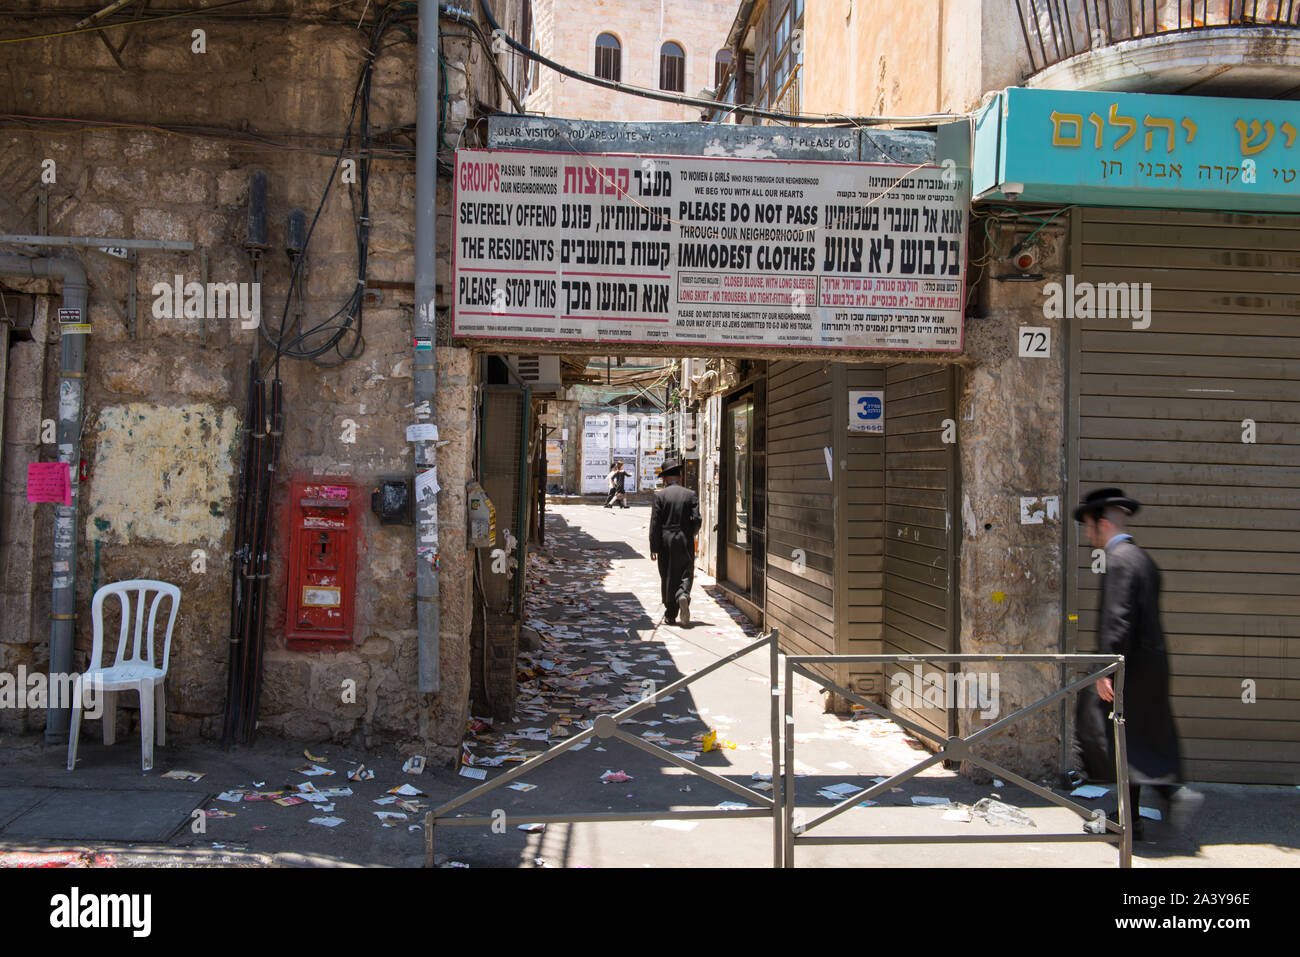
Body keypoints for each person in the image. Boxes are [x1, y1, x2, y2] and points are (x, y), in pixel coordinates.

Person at [1072, 487, 1202, 840]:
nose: (1087, 534)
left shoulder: (1119, 561)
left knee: (1111, 736)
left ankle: (1170, 795)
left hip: (1129, 670)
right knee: (1131, 741)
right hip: (1151, 669)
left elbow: (1118, 618)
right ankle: (1130, 818)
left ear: (1101, 524)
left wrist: (1106, 670)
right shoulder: (1143, 559)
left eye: (1088, 526)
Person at [649, 458, 700, 625]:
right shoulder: (690, 494)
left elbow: (655, 523)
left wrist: (654, 547)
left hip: (665, 539)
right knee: (686, 570)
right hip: (684, 538)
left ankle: (671, 613)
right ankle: (683, 594)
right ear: (679, 476)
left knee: (668, 574)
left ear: (664, 479)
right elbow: (697, 519)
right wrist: (690, 532)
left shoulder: (660, 496)